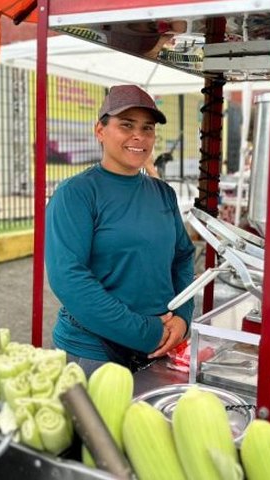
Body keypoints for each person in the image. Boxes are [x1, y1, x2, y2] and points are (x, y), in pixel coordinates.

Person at [45, 85, 195, 376]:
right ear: (100, 130)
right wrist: (146, 331)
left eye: (147, 128)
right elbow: (69, 279)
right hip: (93, 350)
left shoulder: (163, 193)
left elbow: (183, 258)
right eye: (126, 125)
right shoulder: (76, 194)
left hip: (158, 344)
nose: (139, 136)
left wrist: (182, 318)